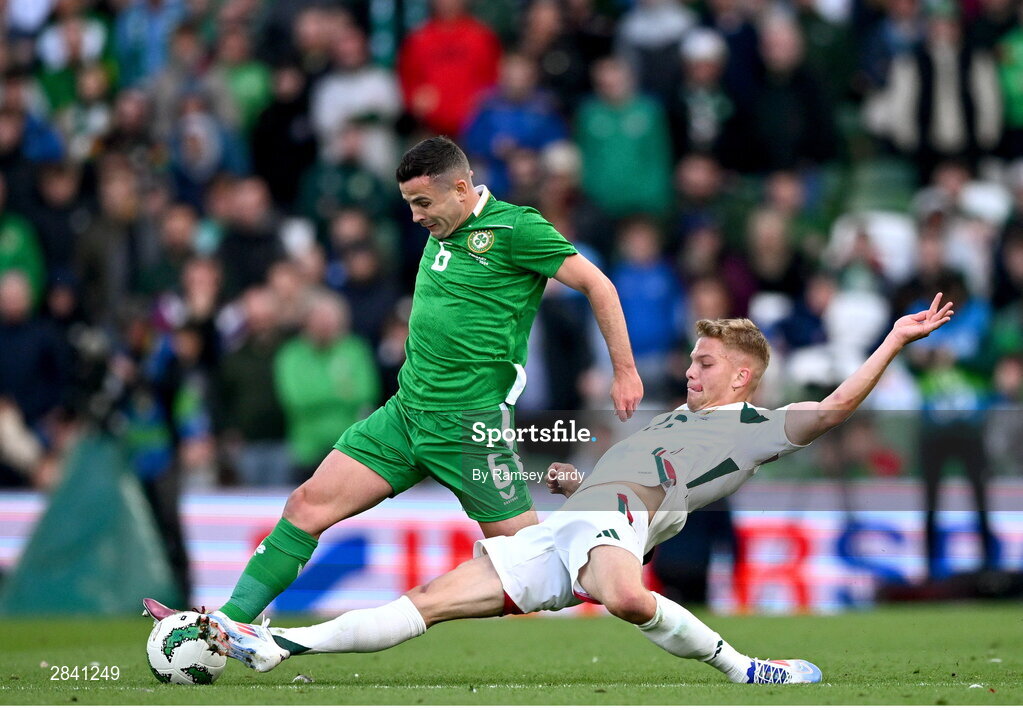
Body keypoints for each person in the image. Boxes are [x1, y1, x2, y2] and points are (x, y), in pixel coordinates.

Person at [197, 295, 954, 684]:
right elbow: (618, 480)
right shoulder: (672, 421)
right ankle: (272, 645)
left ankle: (745, 668)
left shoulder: (754, 425)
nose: (689, 372)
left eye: (703, 363)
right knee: (426, 602)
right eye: (690, 361)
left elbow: (834, 410)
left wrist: (891, 340)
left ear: (743, 375)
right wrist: (575, 480)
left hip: (613, 528)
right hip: (577, 526)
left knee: (625, 598)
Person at [143, 136, 642, 624]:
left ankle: (617, 554)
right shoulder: (441, 228)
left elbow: (599, 284)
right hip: (403, 416)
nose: (415, 217)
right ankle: (225, 626)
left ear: (463, 189)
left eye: (423, 202)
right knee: (306, 504)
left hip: (470, 430)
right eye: (408, 204)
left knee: (534, 566)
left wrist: (623, 371)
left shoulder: (517, 228)